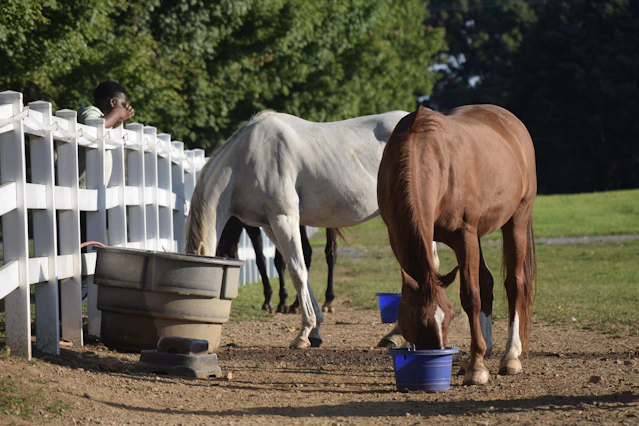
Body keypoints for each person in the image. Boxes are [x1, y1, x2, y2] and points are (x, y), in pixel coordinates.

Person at [76, 81, 134, 302]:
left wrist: (118, 118)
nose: (125, 107)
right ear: (112, 102)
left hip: (94, 199)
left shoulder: (110, 121)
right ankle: (67, 312)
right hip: (81, 198)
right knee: (83, 252)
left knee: (93, 251)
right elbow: (94, 127)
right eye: (122, 103)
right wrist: (117, 114)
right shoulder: (89, 112)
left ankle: (74, 307)